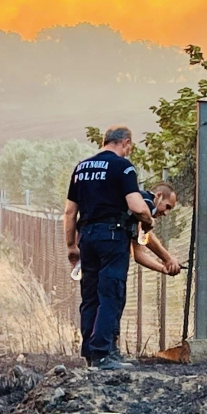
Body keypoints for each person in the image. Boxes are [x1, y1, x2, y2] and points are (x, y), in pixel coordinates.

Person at [63, 125, 152, 370]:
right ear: (125, 142)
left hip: (87, 237)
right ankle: (104, 355)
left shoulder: (81, 168)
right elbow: (136, 206)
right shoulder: (123, 167)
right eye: (129, 147)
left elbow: (70, 212)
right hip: (112, 236)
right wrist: (148, 220)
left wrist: (71, 246)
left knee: (90, 296)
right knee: (110, 294)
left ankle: (91, 354)